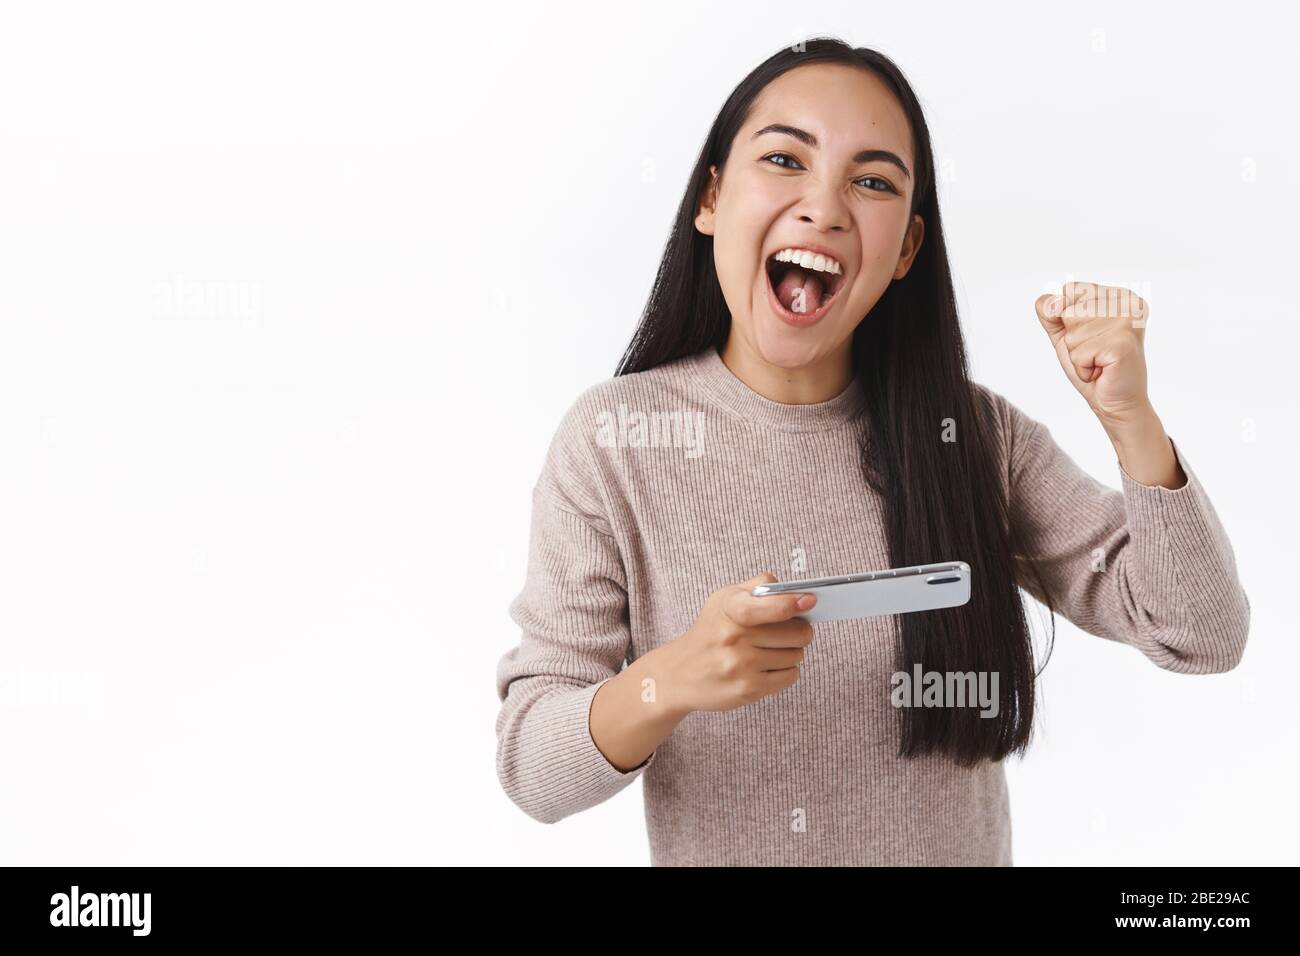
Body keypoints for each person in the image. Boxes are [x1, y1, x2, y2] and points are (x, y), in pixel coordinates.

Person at [494, 37, 1250, 866]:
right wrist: (669, 679)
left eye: (872, 180)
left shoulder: (973, 439)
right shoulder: (611, 442)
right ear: (711, 197)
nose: (823, 207)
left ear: (907, 249)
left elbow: (1201, 634)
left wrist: (1130, 419)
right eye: (785, 158)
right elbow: (534, 766)